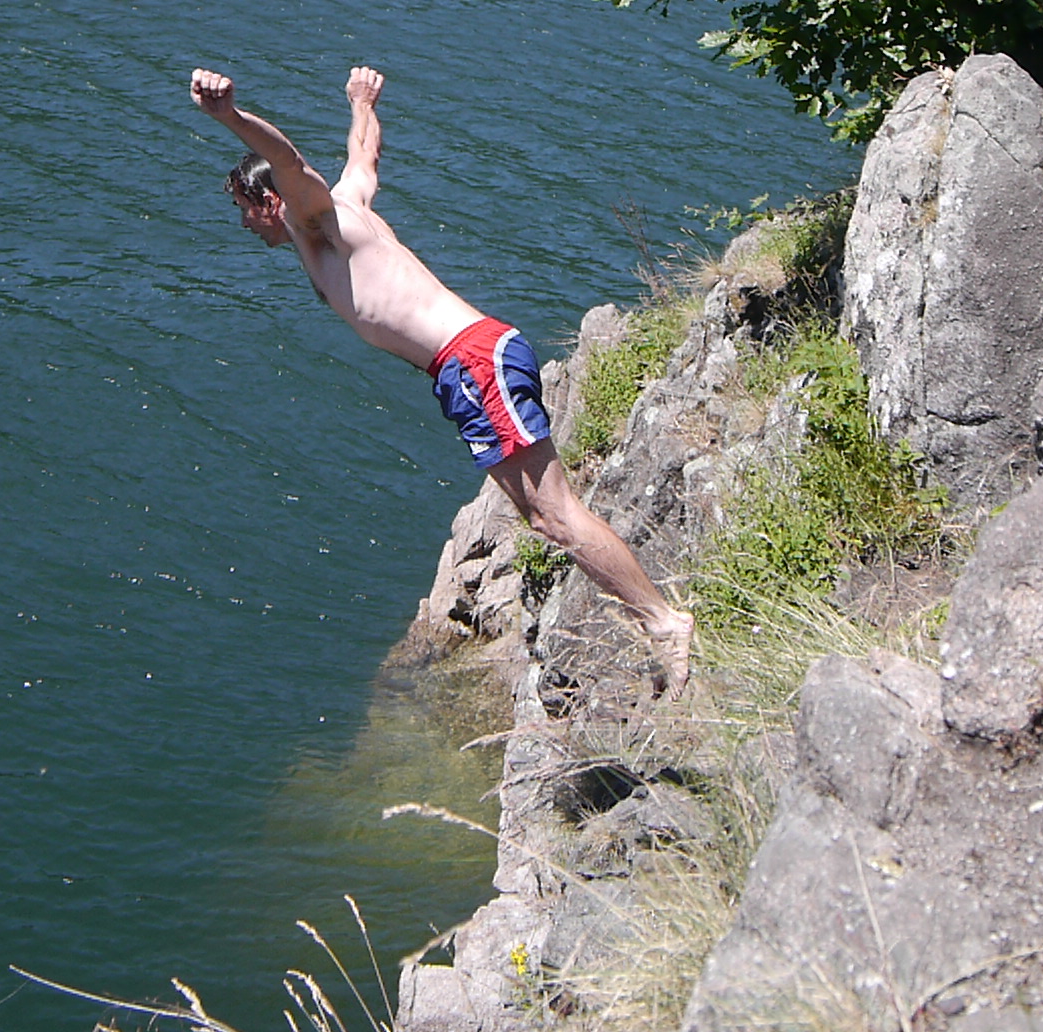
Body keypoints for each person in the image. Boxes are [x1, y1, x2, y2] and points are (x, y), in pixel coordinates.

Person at [190, 65, 694, 693]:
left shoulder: (325, 220)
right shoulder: (346, 205)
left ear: (269, 201)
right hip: (464, 365)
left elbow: (289, 158)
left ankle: (666, 625)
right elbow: (363, 152)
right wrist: (361, 102)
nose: (242, 223)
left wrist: (230, 117)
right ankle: (658, 622)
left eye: (243, 208)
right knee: (545, 518)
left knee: (555, 516)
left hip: (473, 357)